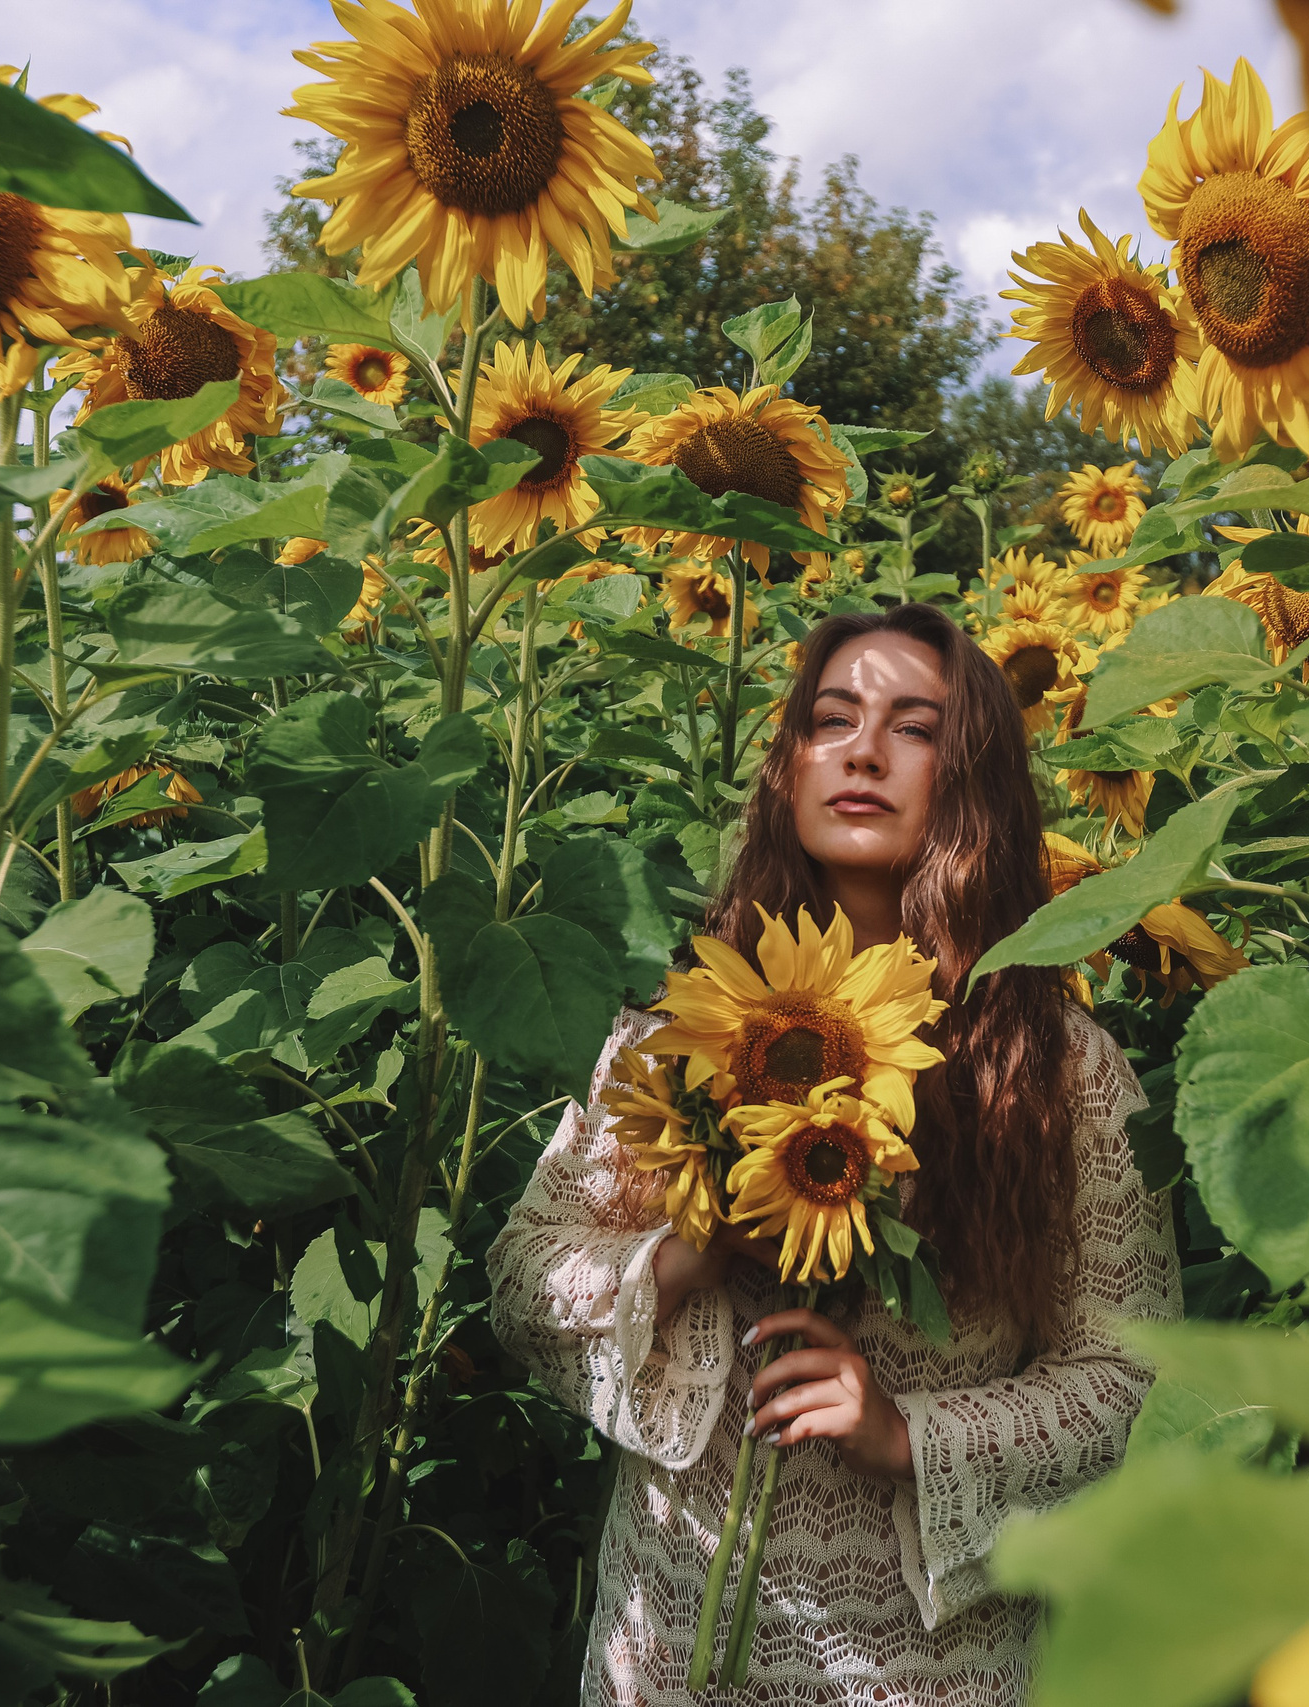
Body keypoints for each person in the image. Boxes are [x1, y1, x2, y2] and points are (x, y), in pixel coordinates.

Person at [488, 601, 1178, 1704]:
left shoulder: (1054, 1070)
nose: (861, 750)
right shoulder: (687, 1025)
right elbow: (524, 1281)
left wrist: (907, 1434)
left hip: (913, 1663)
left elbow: (1130, 1375)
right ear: (789, 765)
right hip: (661, 1637)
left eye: (914, 728)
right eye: (831, 718)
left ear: (973, 783)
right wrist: (685, 1256)